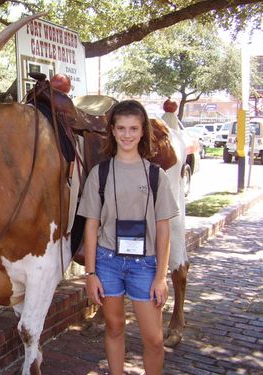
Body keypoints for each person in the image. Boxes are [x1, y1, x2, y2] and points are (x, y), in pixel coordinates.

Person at [78, 100, 179, 375]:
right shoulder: (99, 174)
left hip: (144, 264)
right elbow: (90, 225)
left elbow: (164, 229)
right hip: (107, 262)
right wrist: (90, 273)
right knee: (114, 327)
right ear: (111, 130)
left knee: (154, 339)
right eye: (121, 128)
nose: (127, 134)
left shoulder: (156, 176)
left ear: (143, 131)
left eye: (133, 128)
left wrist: (161, 277)